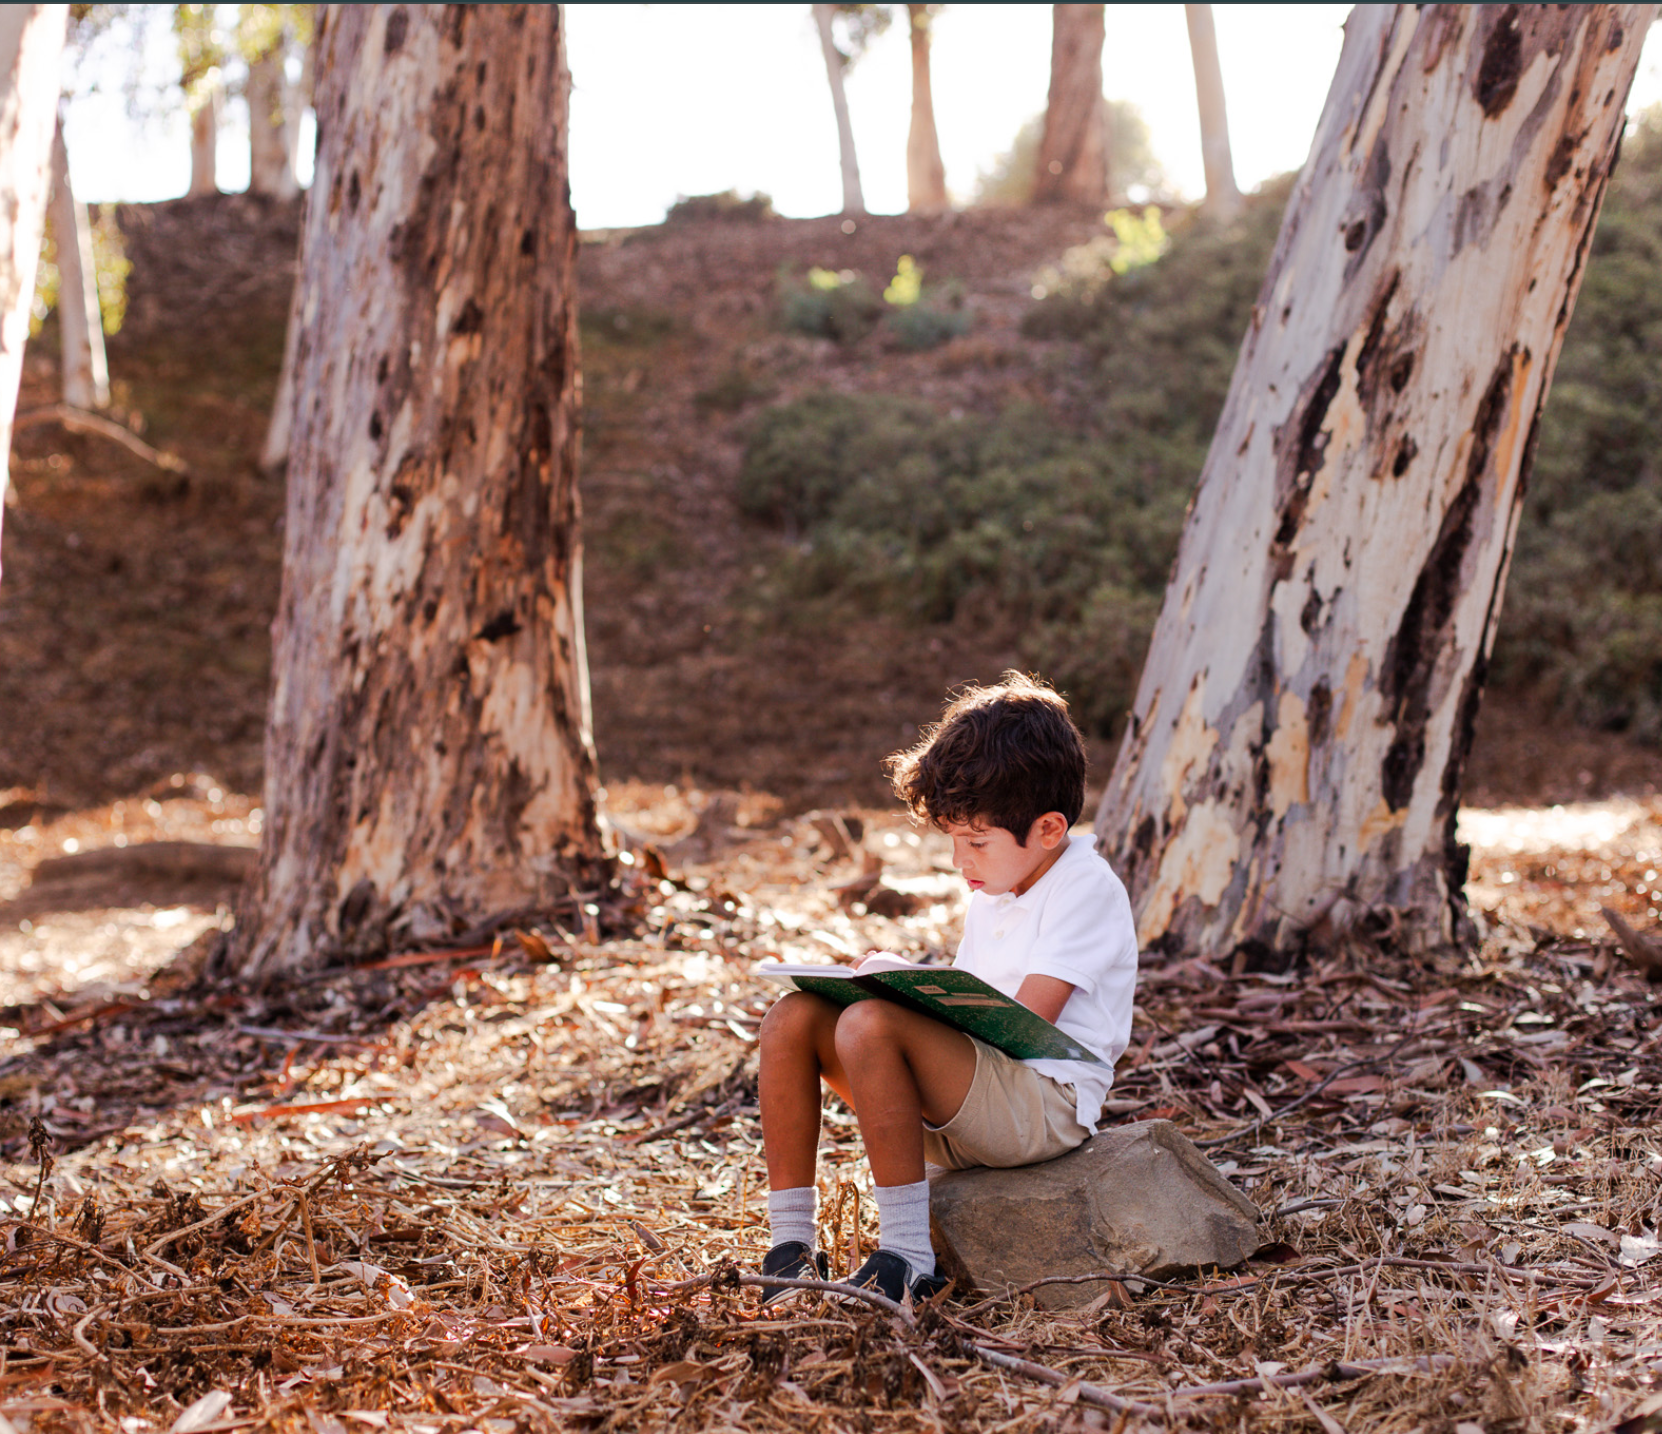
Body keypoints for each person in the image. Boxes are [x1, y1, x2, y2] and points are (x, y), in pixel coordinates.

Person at [756, 672, 1139, 1305]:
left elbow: (1021, 1026)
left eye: (976, 843)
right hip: (976, 1101)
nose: (961, 864)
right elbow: (968, 1010)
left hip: (1042, 1107)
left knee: (869, 1024)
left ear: (1048, 829)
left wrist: (903, 995)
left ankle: (909, 1255)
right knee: (791, 1017)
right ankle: (789, 1246)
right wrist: (899, 983)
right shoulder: (1000, 884)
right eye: (955, 841)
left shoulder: (1084, 887)